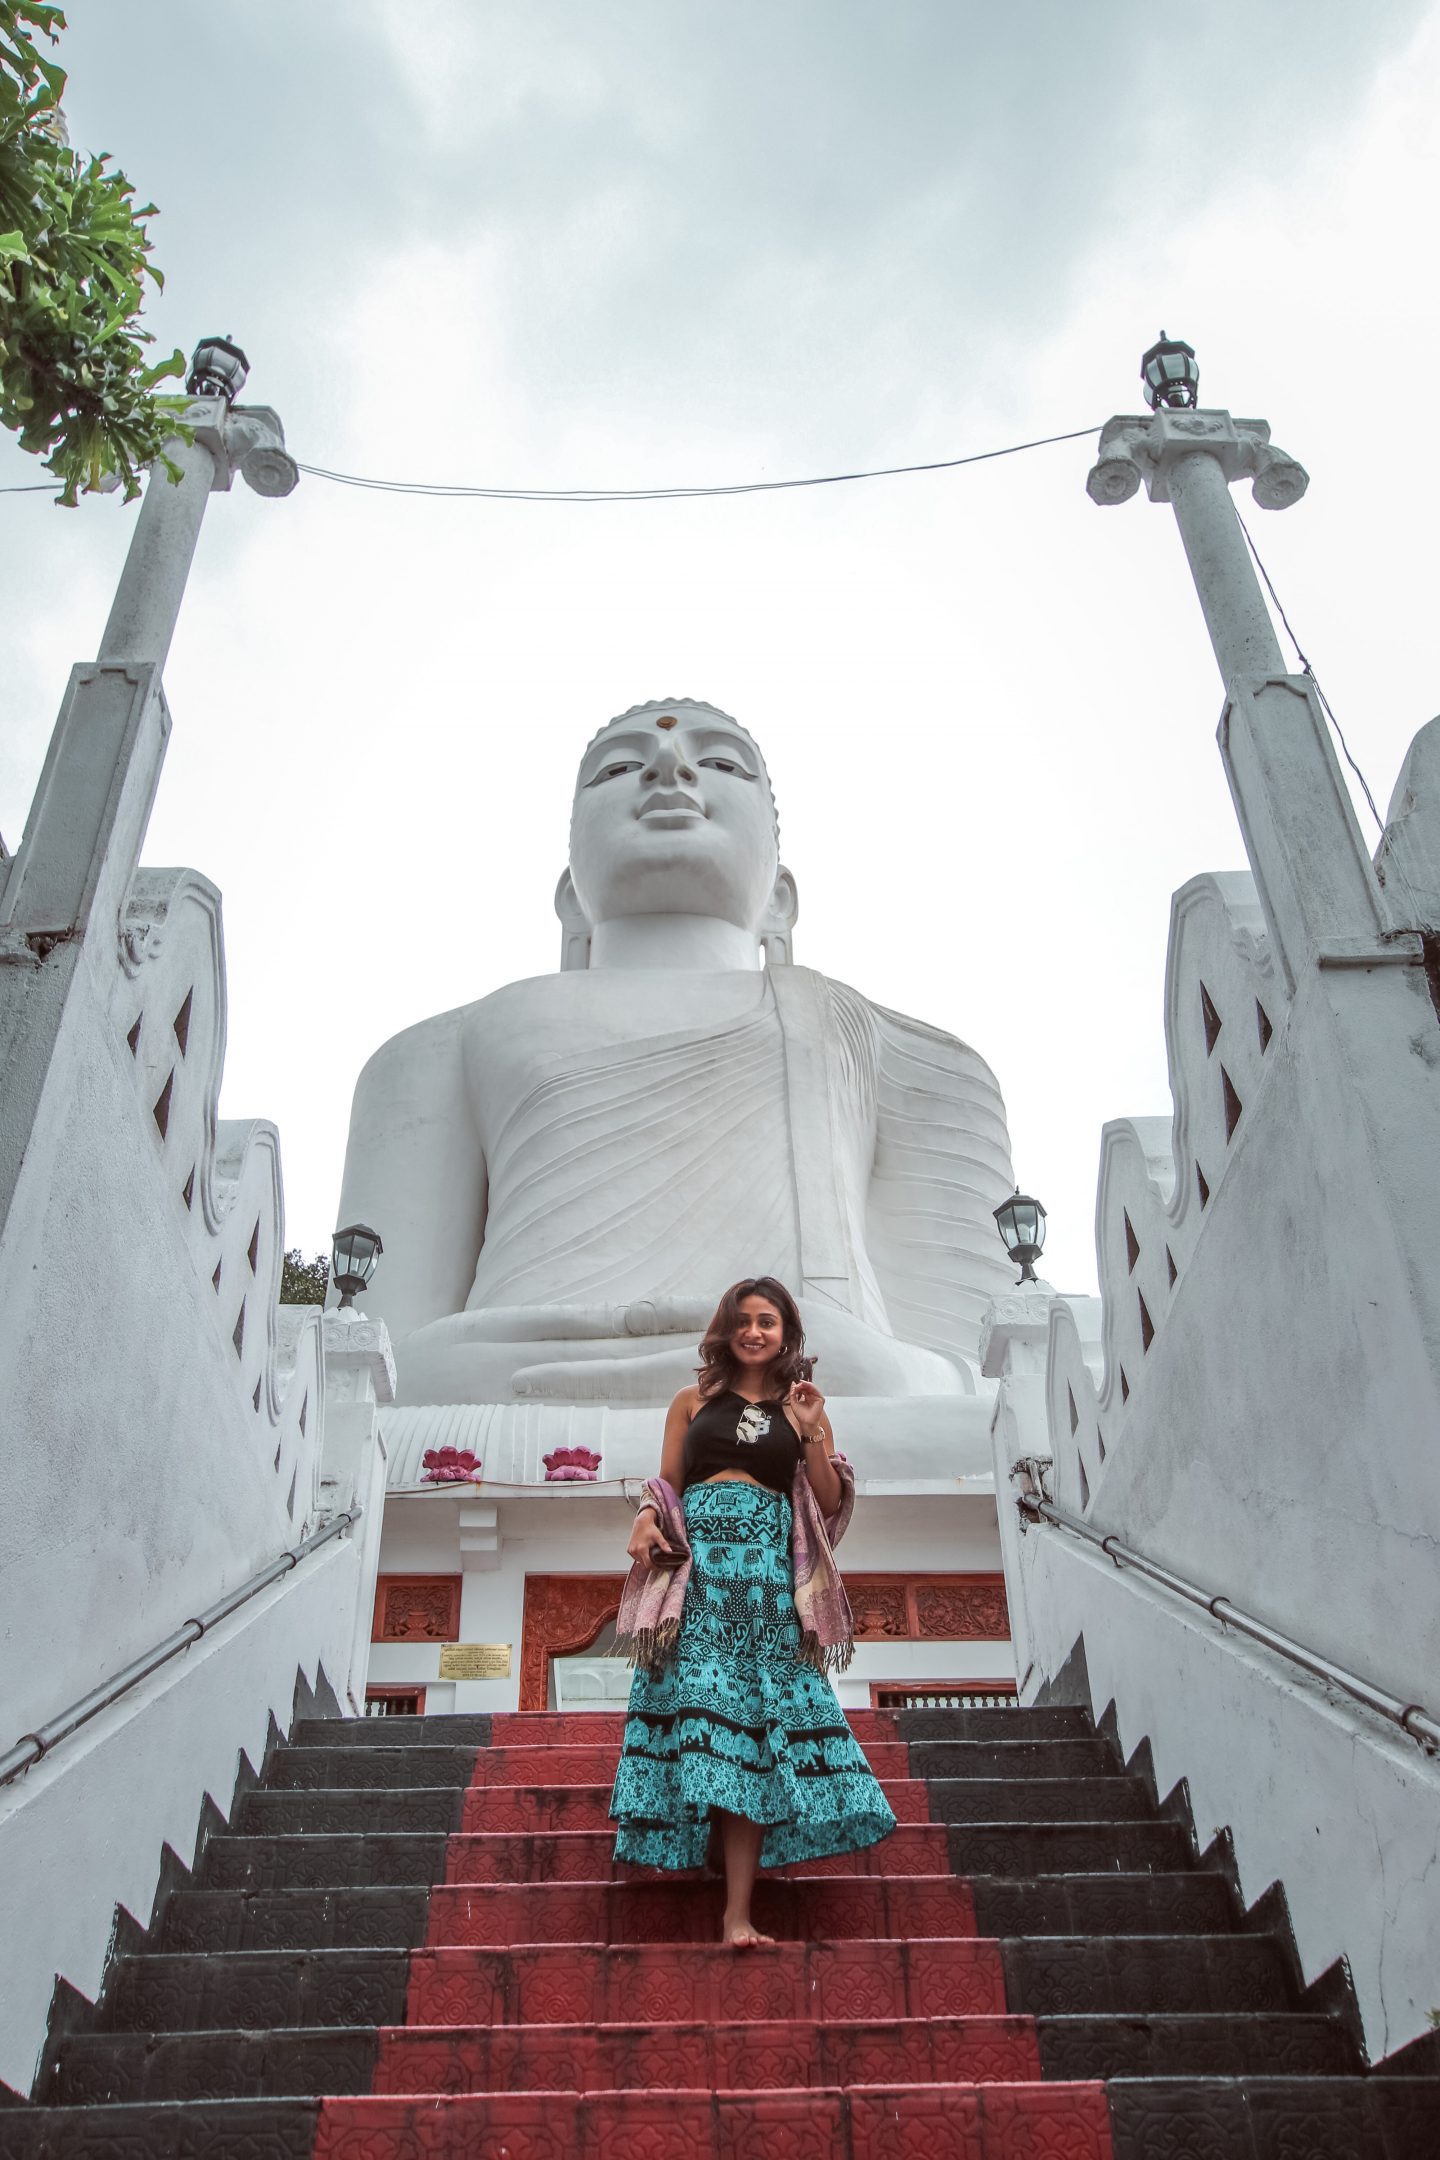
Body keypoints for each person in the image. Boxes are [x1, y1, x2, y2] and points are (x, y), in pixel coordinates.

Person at [608, 1276, 896, 1945]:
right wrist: (647, 1518)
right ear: (725, 1329)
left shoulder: (801, 1408)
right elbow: (667, 1483)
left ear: (786, 1331)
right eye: (743, 1320)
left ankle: (737, 1913)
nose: (754, 1331)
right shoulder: (691, 1402)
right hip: (701, 1580)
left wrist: (813, 1427)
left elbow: (824, 1501)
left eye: (767, 1321)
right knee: (704, 1719)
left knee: (759, 1732)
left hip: (768, 1588)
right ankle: (711, 1848)